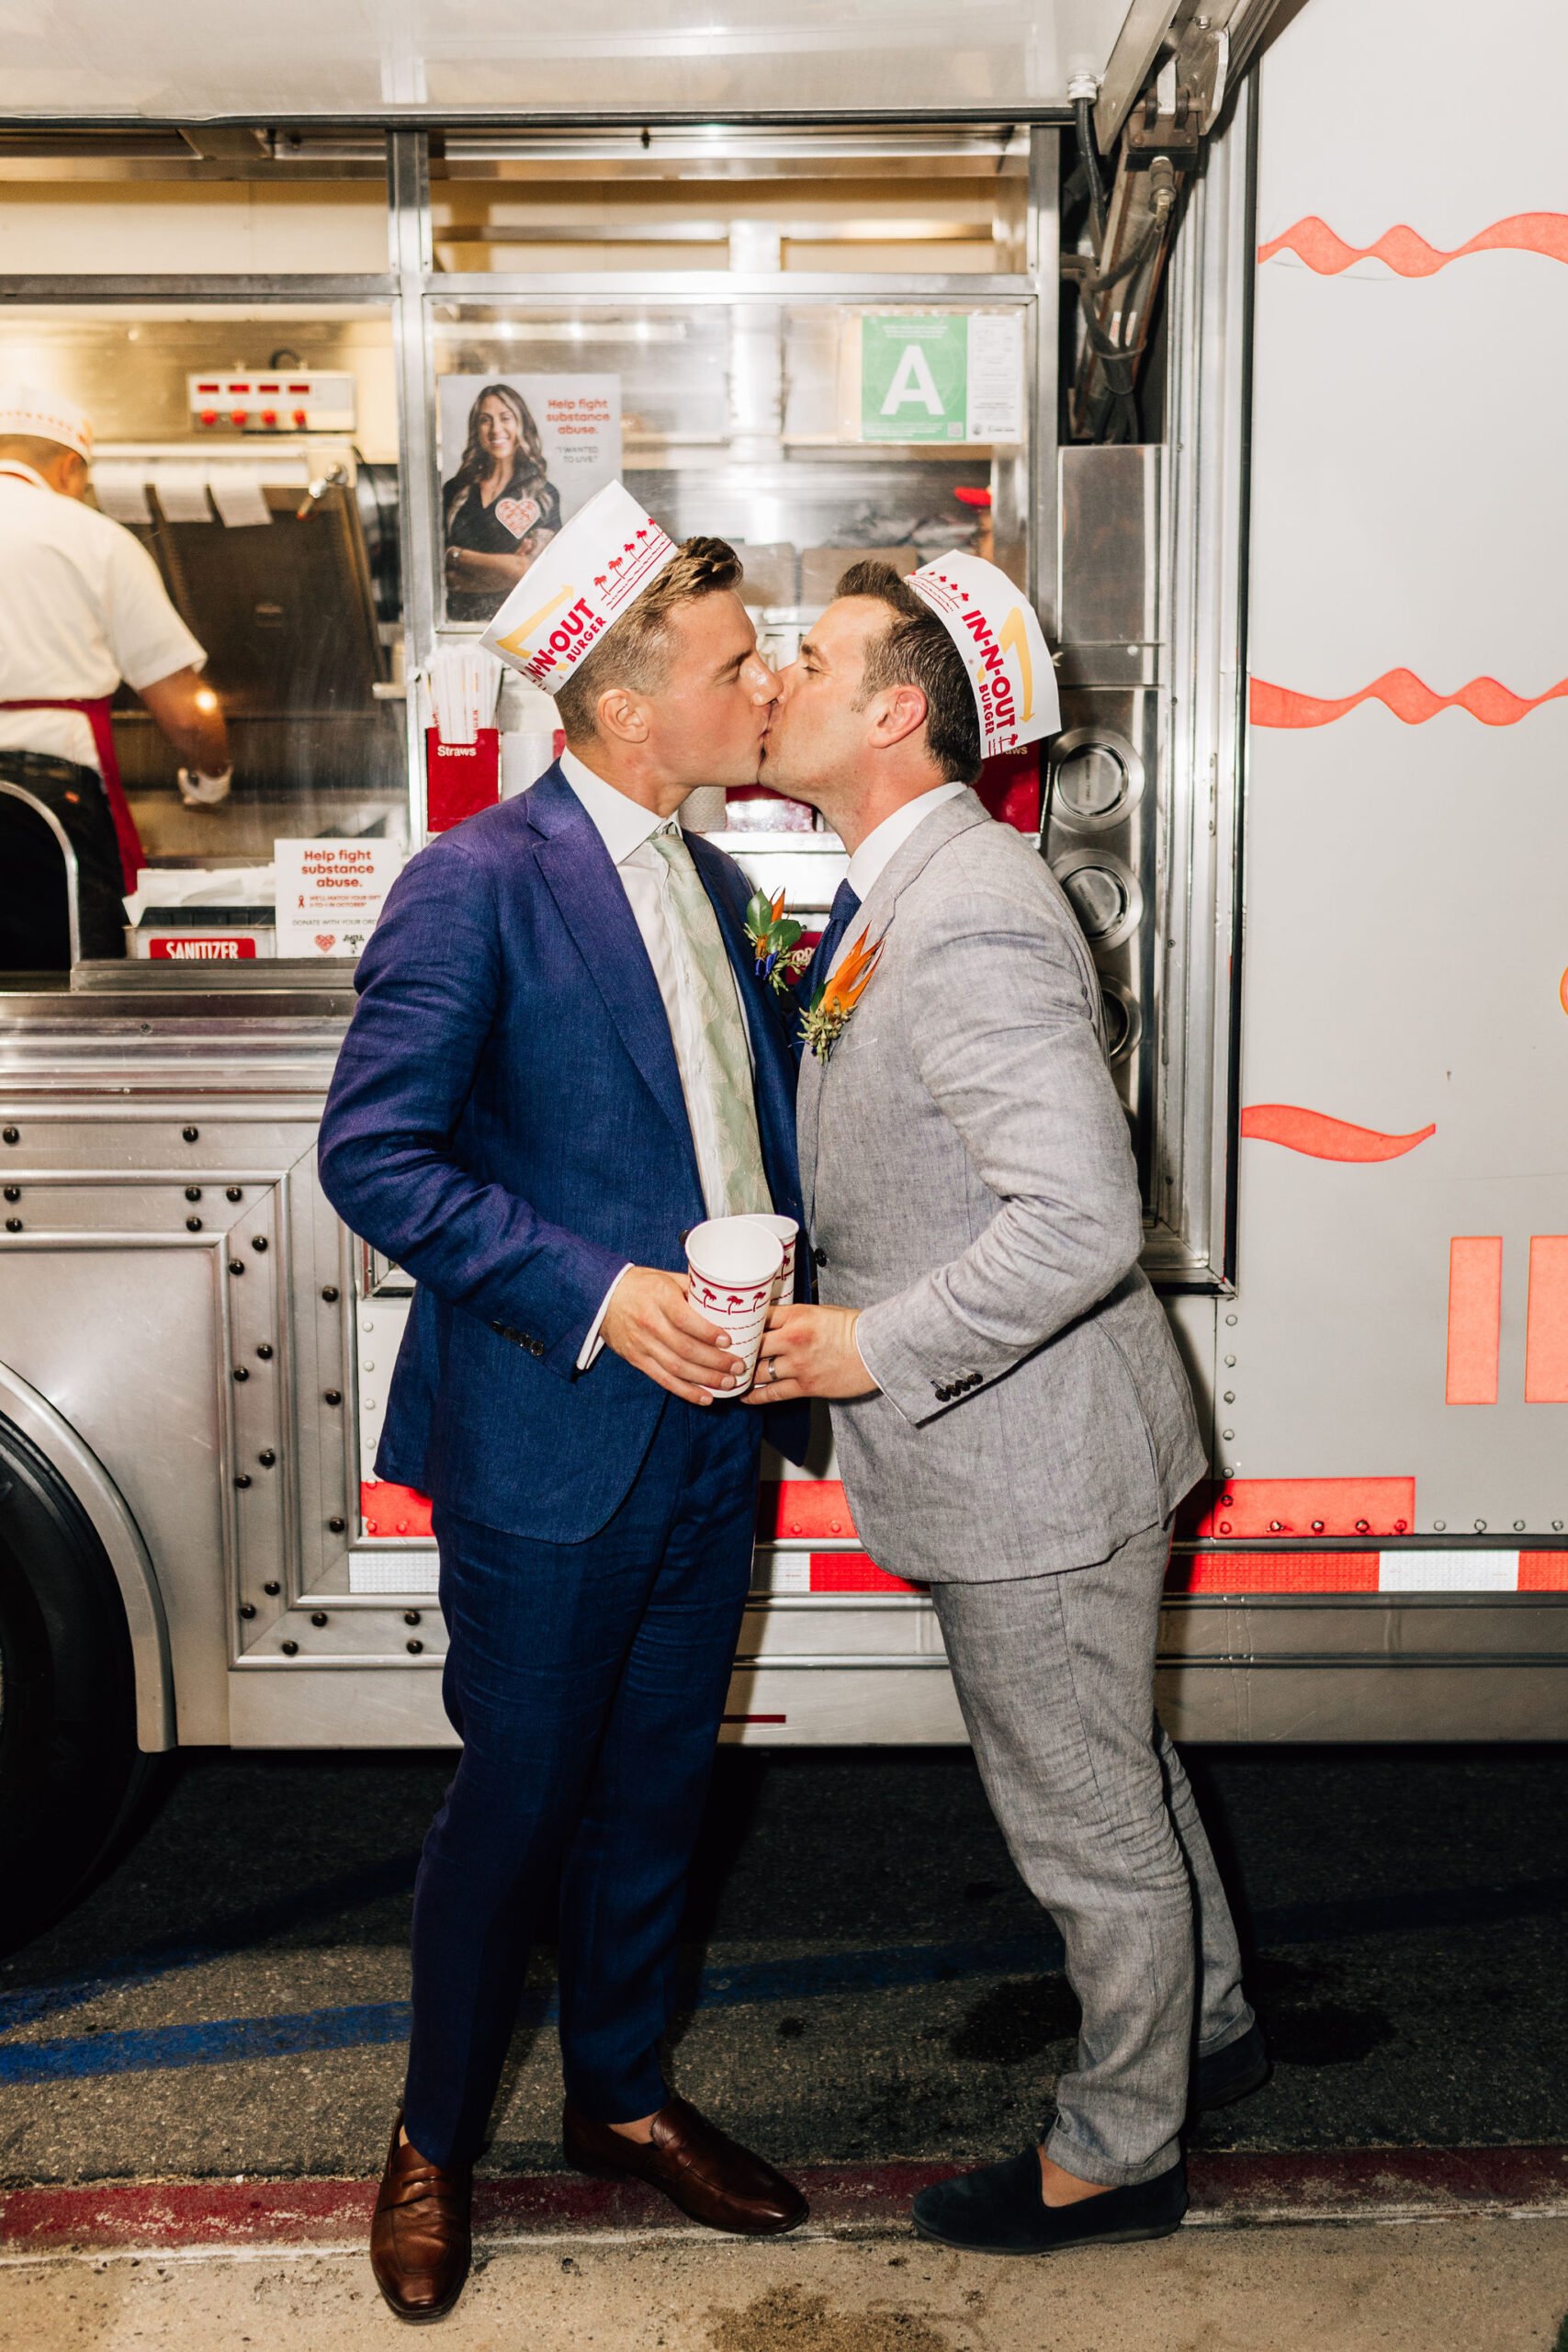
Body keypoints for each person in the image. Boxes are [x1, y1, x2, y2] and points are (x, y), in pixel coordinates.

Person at [318, 505, 811, 2327]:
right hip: (554, 1428)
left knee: (658, 1794)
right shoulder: (479, 877)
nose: (759, 682)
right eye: (729, 665)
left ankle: (616, 2090)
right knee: (514, 1804)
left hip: (705, 1429)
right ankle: (433, 2134)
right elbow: (374, 1154)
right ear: (617, 704)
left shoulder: (709, 876)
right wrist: (603, 1294)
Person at [749, 558, 1265, 2257]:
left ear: (894, 709)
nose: (779, 667)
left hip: (1031, 1466)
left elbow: (1077, 1223)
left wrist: (859, 1347)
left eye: (810, 653)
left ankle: (1121, 2150)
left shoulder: (962, 906)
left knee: (1081, 1815)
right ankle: (1202, 2029)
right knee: (1113, 1770)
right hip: (1046, 1450)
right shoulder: (912, 880)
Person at [0, 386, 231, 968]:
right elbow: (185, 709)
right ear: (70, 467)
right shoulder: (96, 539)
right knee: (63, 988)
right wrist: (212, 778)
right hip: (48, 803)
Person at [441, 381, 562, 622]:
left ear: (521, 425)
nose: (496, 429)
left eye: (505, 418)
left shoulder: (543, 495)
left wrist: (456, 555)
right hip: (458, 628)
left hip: (519, 628)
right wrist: (506, 570)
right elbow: (447, 578)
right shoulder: (455, 490)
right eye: (485, 420)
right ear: (476, 429)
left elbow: (529, 572)